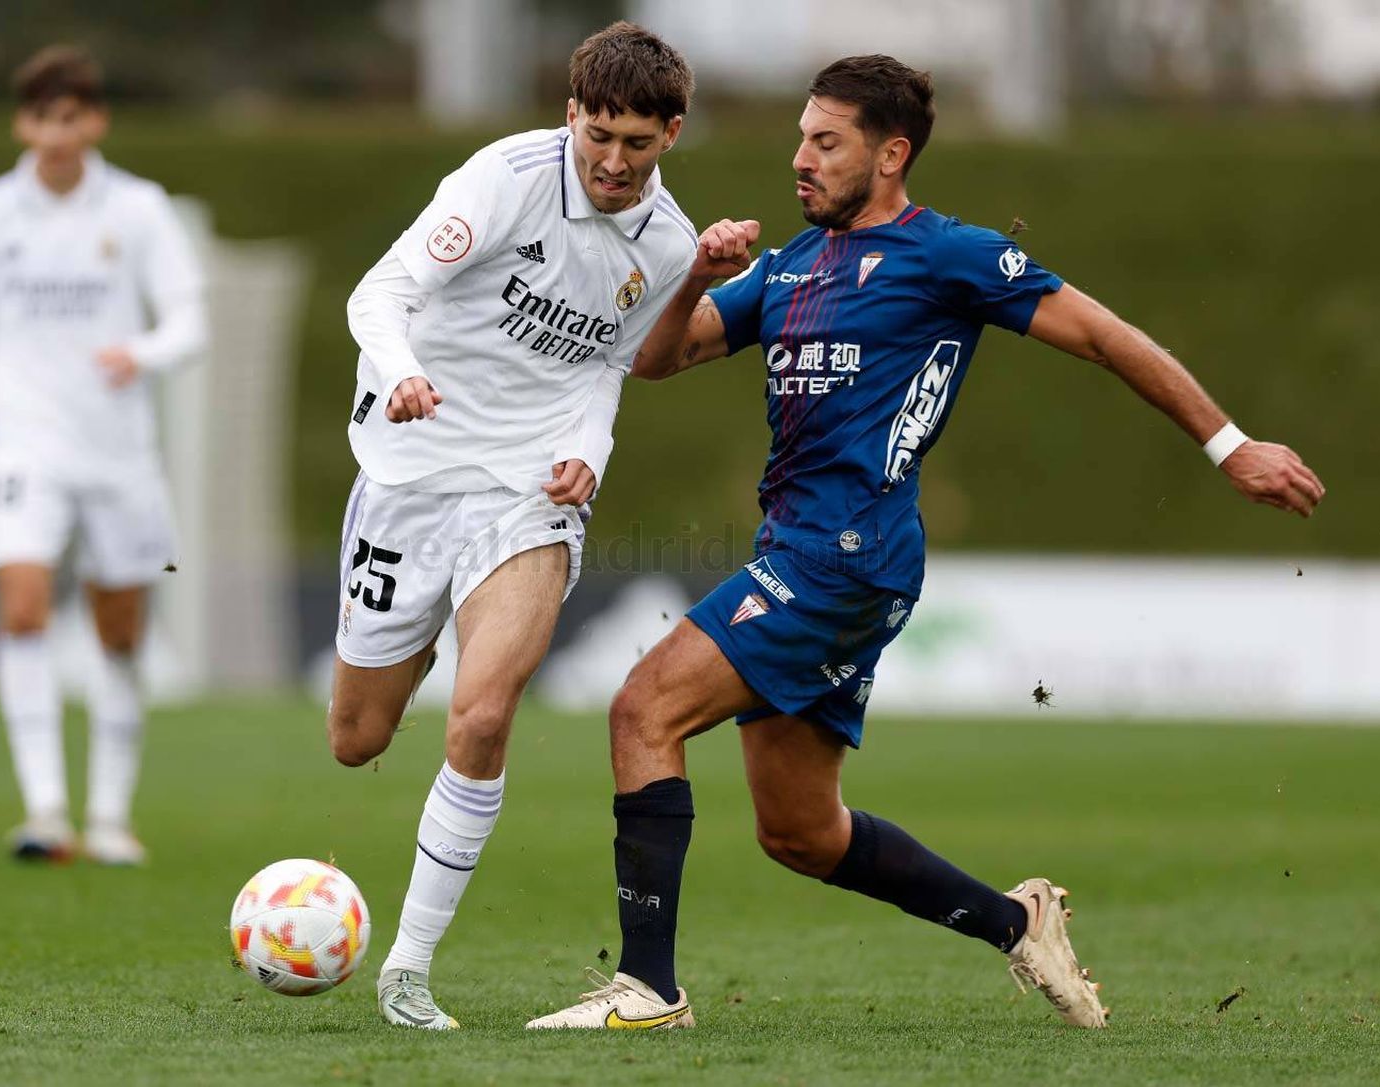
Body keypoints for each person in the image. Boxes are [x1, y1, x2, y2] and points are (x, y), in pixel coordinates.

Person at [528, 54, 1325, 1031]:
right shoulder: (789, 266)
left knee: (640, 710)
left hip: (844, 557)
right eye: (801, 137)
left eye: (826, 142)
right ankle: (1016, 920)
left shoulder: (948, 257)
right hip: (808, 552)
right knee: (800, 833)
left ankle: (649, 992)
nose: (801, 159)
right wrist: (697, 270)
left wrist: (1230, 446)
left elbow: (1109, 337)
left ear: (890, 153)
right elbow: (661, 358)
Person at [331, 22, 700, 1030]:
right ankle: (409, 642)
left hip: (527, 491)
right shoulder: (503, 179)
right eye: (598, 137)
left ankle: (406, 968)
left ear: (671, 132)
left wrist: (591, 452)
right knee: (356, 739)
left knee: (485, 712)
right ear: (570, 116)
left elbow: (603, 368)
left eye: (637, 143)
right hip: (411, 468)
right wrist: (404, 371)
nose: (614, 163)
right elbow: (381, 292)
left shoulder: (668, 244)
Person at [0, 45, 208, 867]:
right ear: (21, 122)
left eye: (72, 116)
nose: (56, 133)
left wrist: (142, 351)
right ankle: (45, 810)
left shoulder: (138, 208)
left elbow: (189, 320)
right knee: (23, 605)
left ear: (94, 120)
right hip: (23, 443)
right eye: (41, 116)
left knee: (119, 631)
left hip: (118, 452)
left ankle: (108, 813)